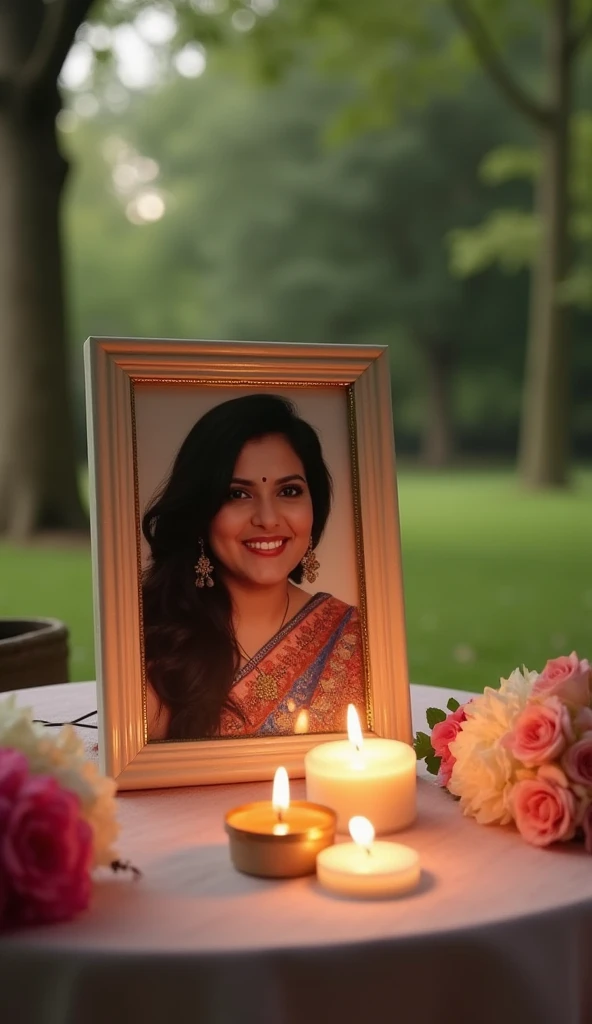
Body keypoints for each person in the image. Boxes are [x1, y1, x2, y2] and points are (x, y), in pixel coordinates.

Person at [142, 393, 365, 740]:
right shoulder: (154, 638)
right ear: (201, 512)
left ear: (314, 507)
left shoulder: (355, 639)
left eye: (289, 491)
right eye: (237, 494)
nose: (267, 519)